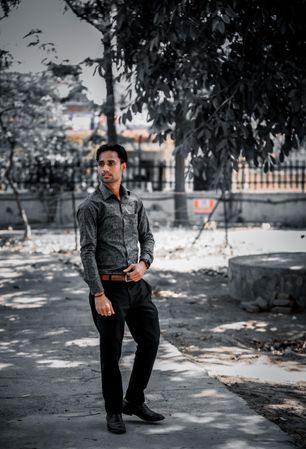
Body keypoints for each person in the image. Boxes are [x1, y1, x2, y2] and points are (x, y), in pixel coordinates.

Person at [77, 143, 164, 434]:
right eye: (100, 163)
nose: (104, 168)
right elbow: (87, 252)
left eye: (110, 163)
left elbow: (147, 237)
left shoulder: (134, 202)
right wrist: (98, 293)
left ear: (122, 167)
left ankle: (134, 400)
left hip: (137, 287)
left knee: (150, 340)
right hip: (108, 292)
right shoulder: (91, 206)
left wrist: (144, 264)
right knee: (110, 352)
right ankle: (114, 411)